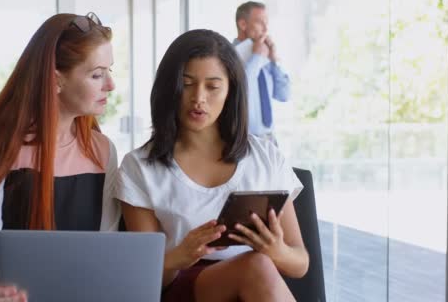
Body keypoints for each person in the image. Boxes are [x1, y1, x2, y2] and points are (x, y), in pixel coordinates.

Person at [116, 29, 308, 302]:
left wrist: (275, 249)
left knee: (259, 265)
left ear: (230, 90)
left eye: (212, 86)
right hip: (183, 287)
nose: (198, 98)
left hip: (257, 286)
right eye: (187, 84)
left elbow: (300, 264)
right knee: (256, 267)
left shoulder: (265, 156)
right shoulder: (140, 167)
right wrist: (179, 255)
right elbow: (142, 276)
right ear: (170, 88)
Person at [0, 12, 121, 302]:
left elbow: (106, 242)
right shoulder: (0, 147)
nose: (110, 85)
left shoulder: (104, 150)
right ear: (56, 79)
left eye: (109, 71)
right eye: (97, 74)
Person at [234, 1, 290, 145]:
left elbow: (284, 95)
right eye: (260, 22)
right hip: (245, 142)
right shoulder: (229, 56)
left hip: (270, 140)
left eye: (267, 23)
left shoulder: (265, 57)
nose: (265, 28)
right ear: (243, 25)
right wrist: (257, 58)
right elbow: (241, 91)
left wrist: (273, 60)